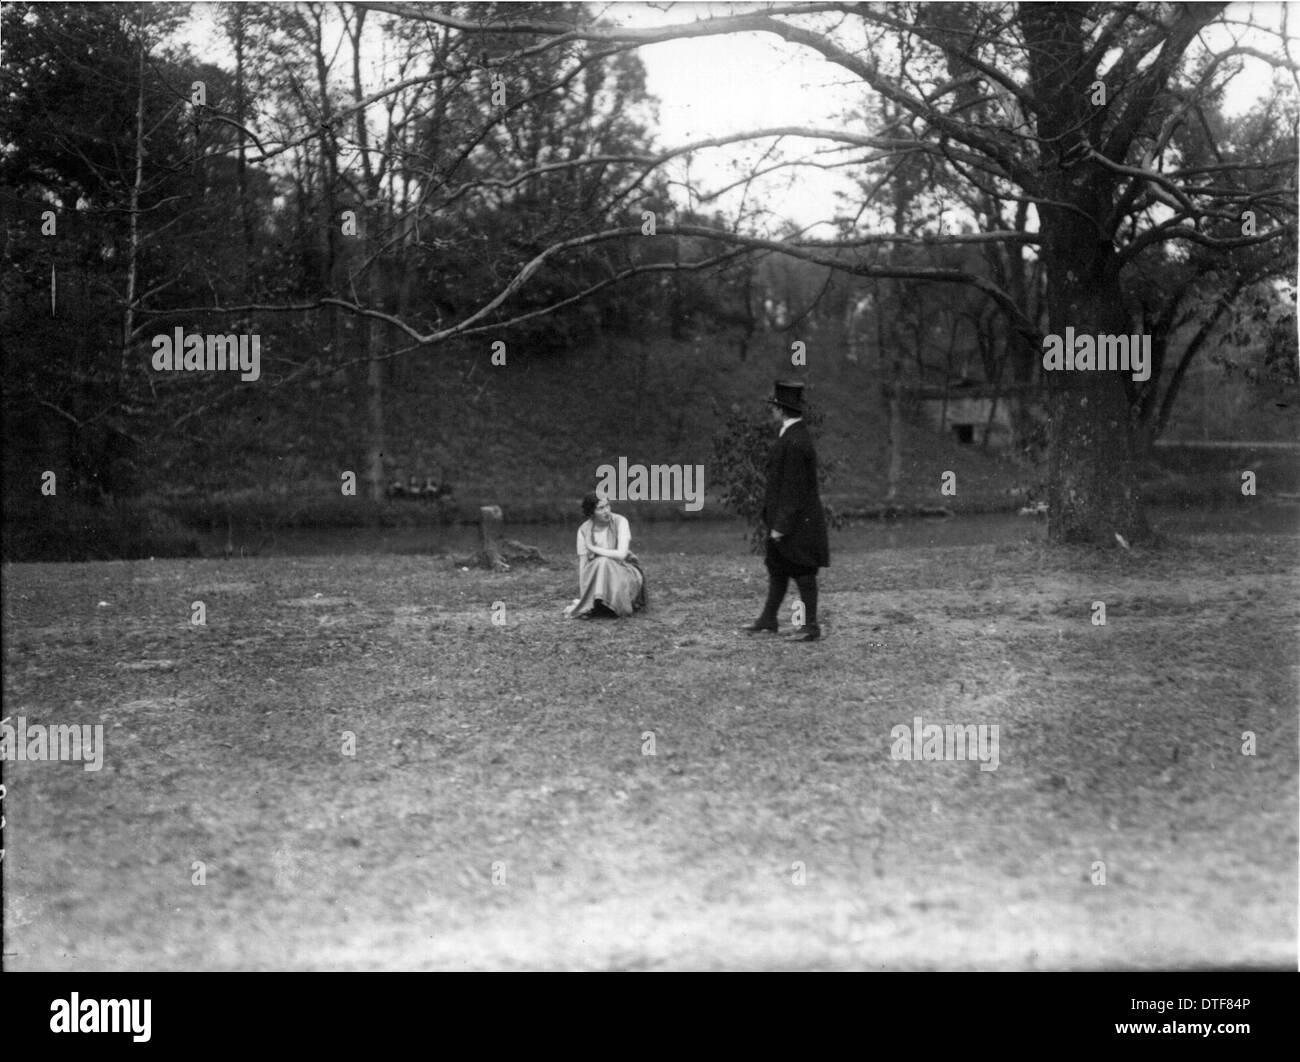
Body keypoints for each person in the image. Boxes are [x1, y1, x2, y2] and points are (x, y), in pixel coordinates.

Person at [740, 380, 829, 642]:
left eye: (774, 407)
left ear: (781, 410)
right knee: (778, 568)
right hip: (788, 518)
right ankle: (768, 619)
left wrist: (780, 525)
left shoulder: (795, 441)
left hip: (797, 522)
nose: (772, 412)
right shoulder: (792, 435)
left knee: (803, 571)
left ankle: (810, 627)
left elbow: (794, 488)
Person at [567, 492, 646, 619]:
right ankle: (593, 604)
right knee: (600, 563)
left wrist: (593, 548)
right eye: (600, 508)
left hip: (623, 571)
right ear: (591, 512)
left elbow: (621, 554)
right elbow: (583, 565)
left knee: (603, 561)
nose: (606, 511)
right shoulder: (583, 530)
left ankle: (611, 605)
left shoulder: (620, 521)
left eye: (607, 505)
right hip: (597, 574)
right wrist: (583, 597)